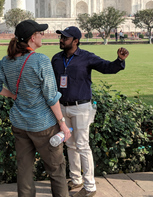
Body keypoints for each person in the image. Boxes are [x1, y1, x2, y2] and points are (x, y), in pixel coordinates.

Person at [0, 20, 71, 197]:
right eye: (40, 33)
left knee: (24, 171)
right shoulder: (40, 60)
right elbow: (51, 96)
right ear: (33, 38)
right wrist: (62, 123)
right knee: (56, 170)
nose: (43, 35)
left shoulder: (7, 61)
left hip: (20, 124)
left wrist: (12, 95)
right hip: (43, 126)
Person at [51, 26, 129, 197]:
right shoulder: (56, 59)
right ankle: (76, 179)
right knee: (70, 145)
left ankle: (90, 186)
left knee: (82, 146)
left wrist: (119, 61)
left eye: (65, 38)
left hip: (81, 108)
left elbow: (107, 67)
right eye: (61, 37)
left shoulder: (86, 57)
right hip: (62, 107)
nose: (61, 40)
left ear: (75, 41)